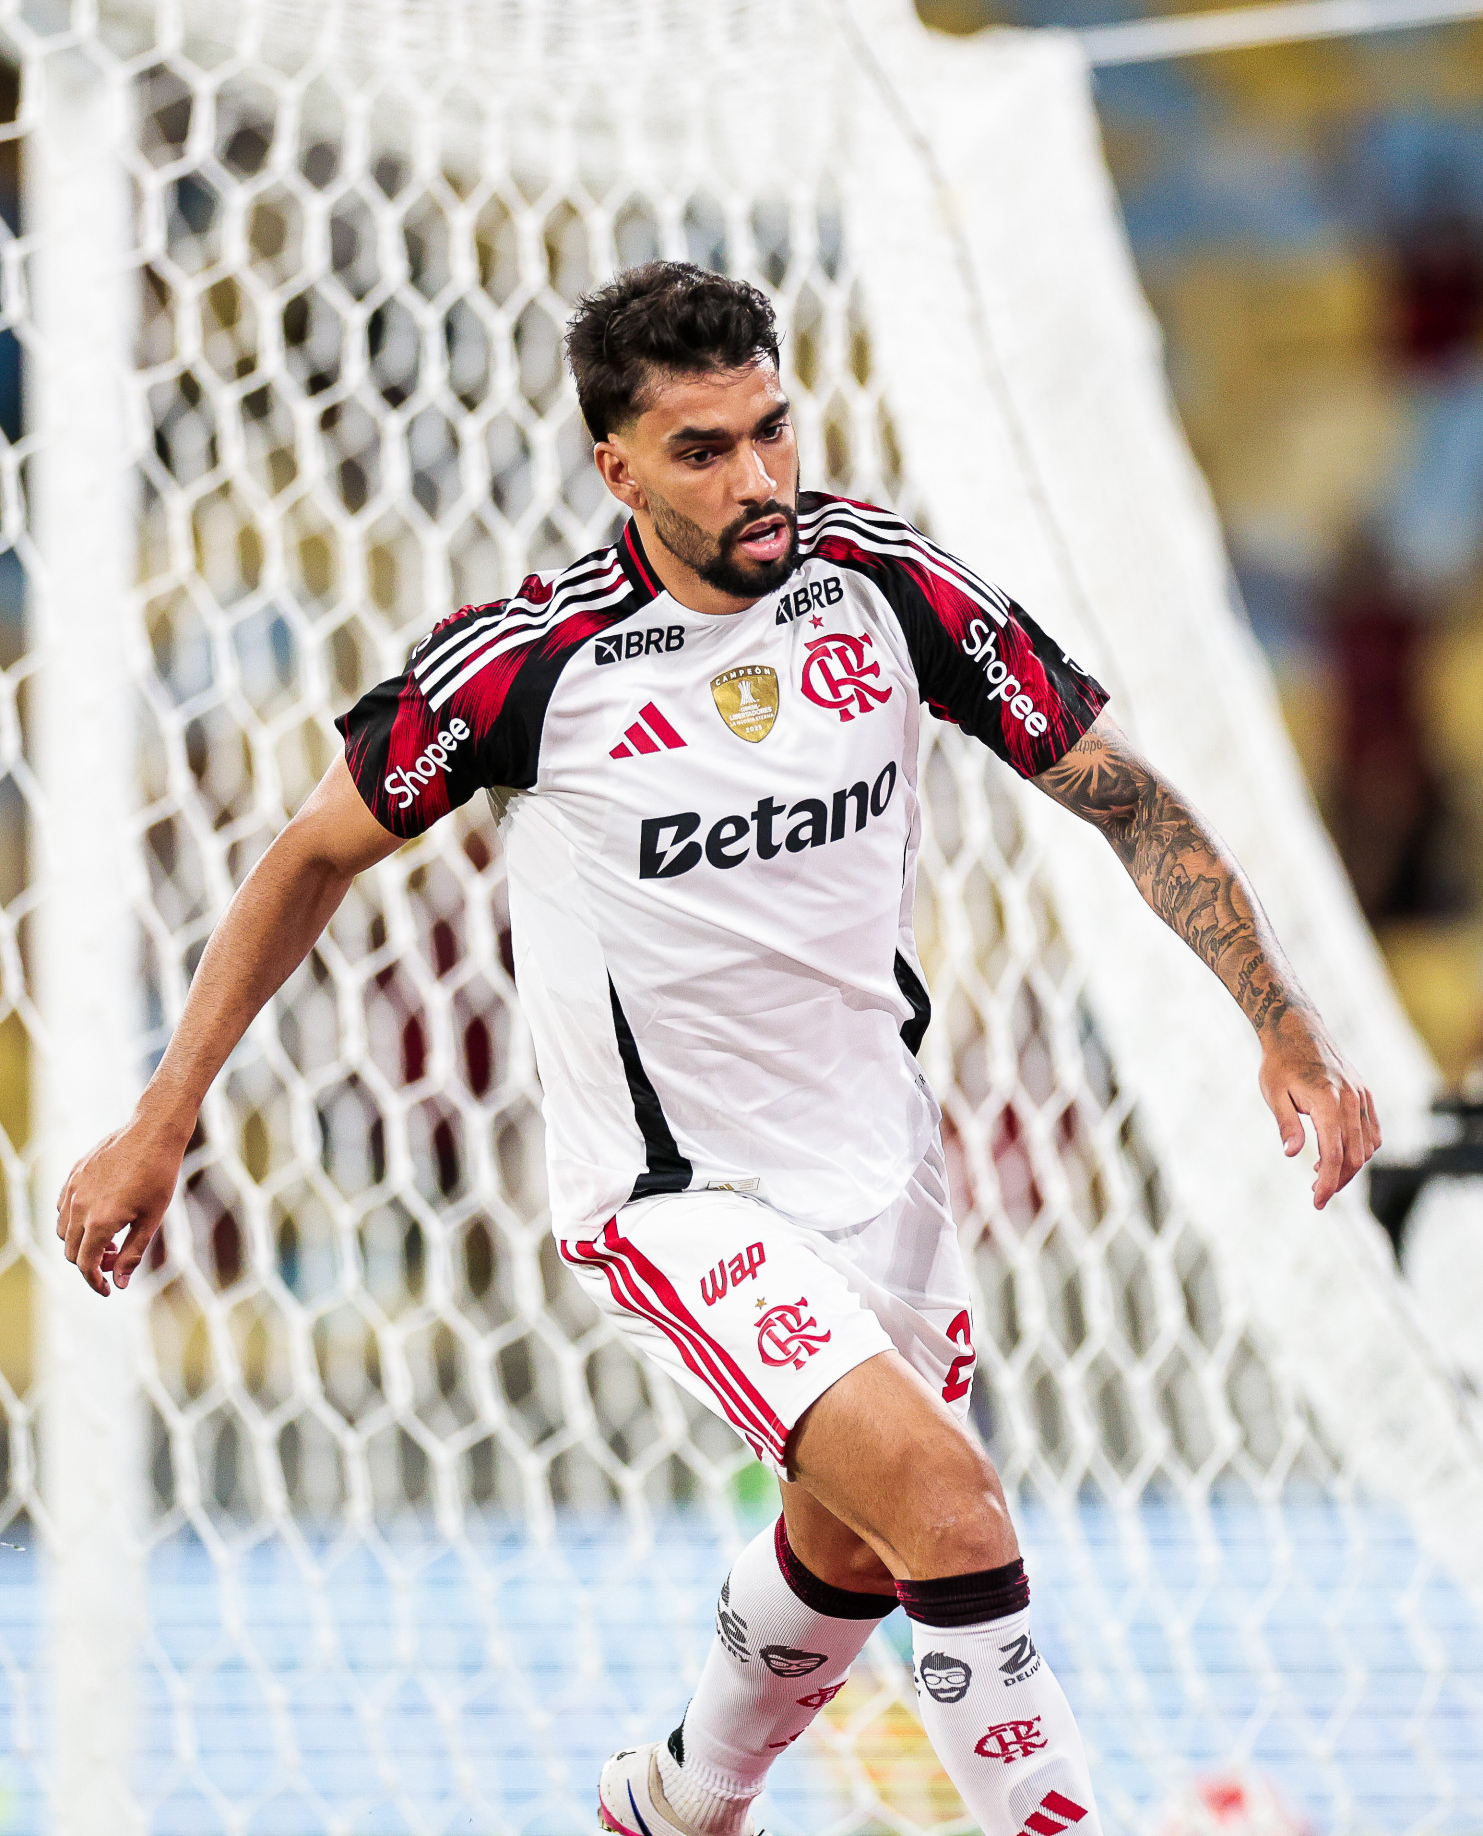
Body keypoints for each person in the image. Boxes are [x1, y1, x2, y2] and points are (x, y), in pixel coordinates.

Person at [57, 262, 1380, 1836]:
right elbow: (309, 857)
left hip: (884, 1169)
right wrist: (162, 1115)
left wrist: (1284, 1028)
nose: (758, 480)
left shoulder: (888, 586)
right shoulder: (525, 667)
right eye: (703, 449)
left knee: (857, 1550)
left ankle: (677, 1801)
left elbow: (1117, 791)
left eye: (772, 430)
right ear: (615, 468)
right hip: (673, 1196)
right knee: (953, 1511)